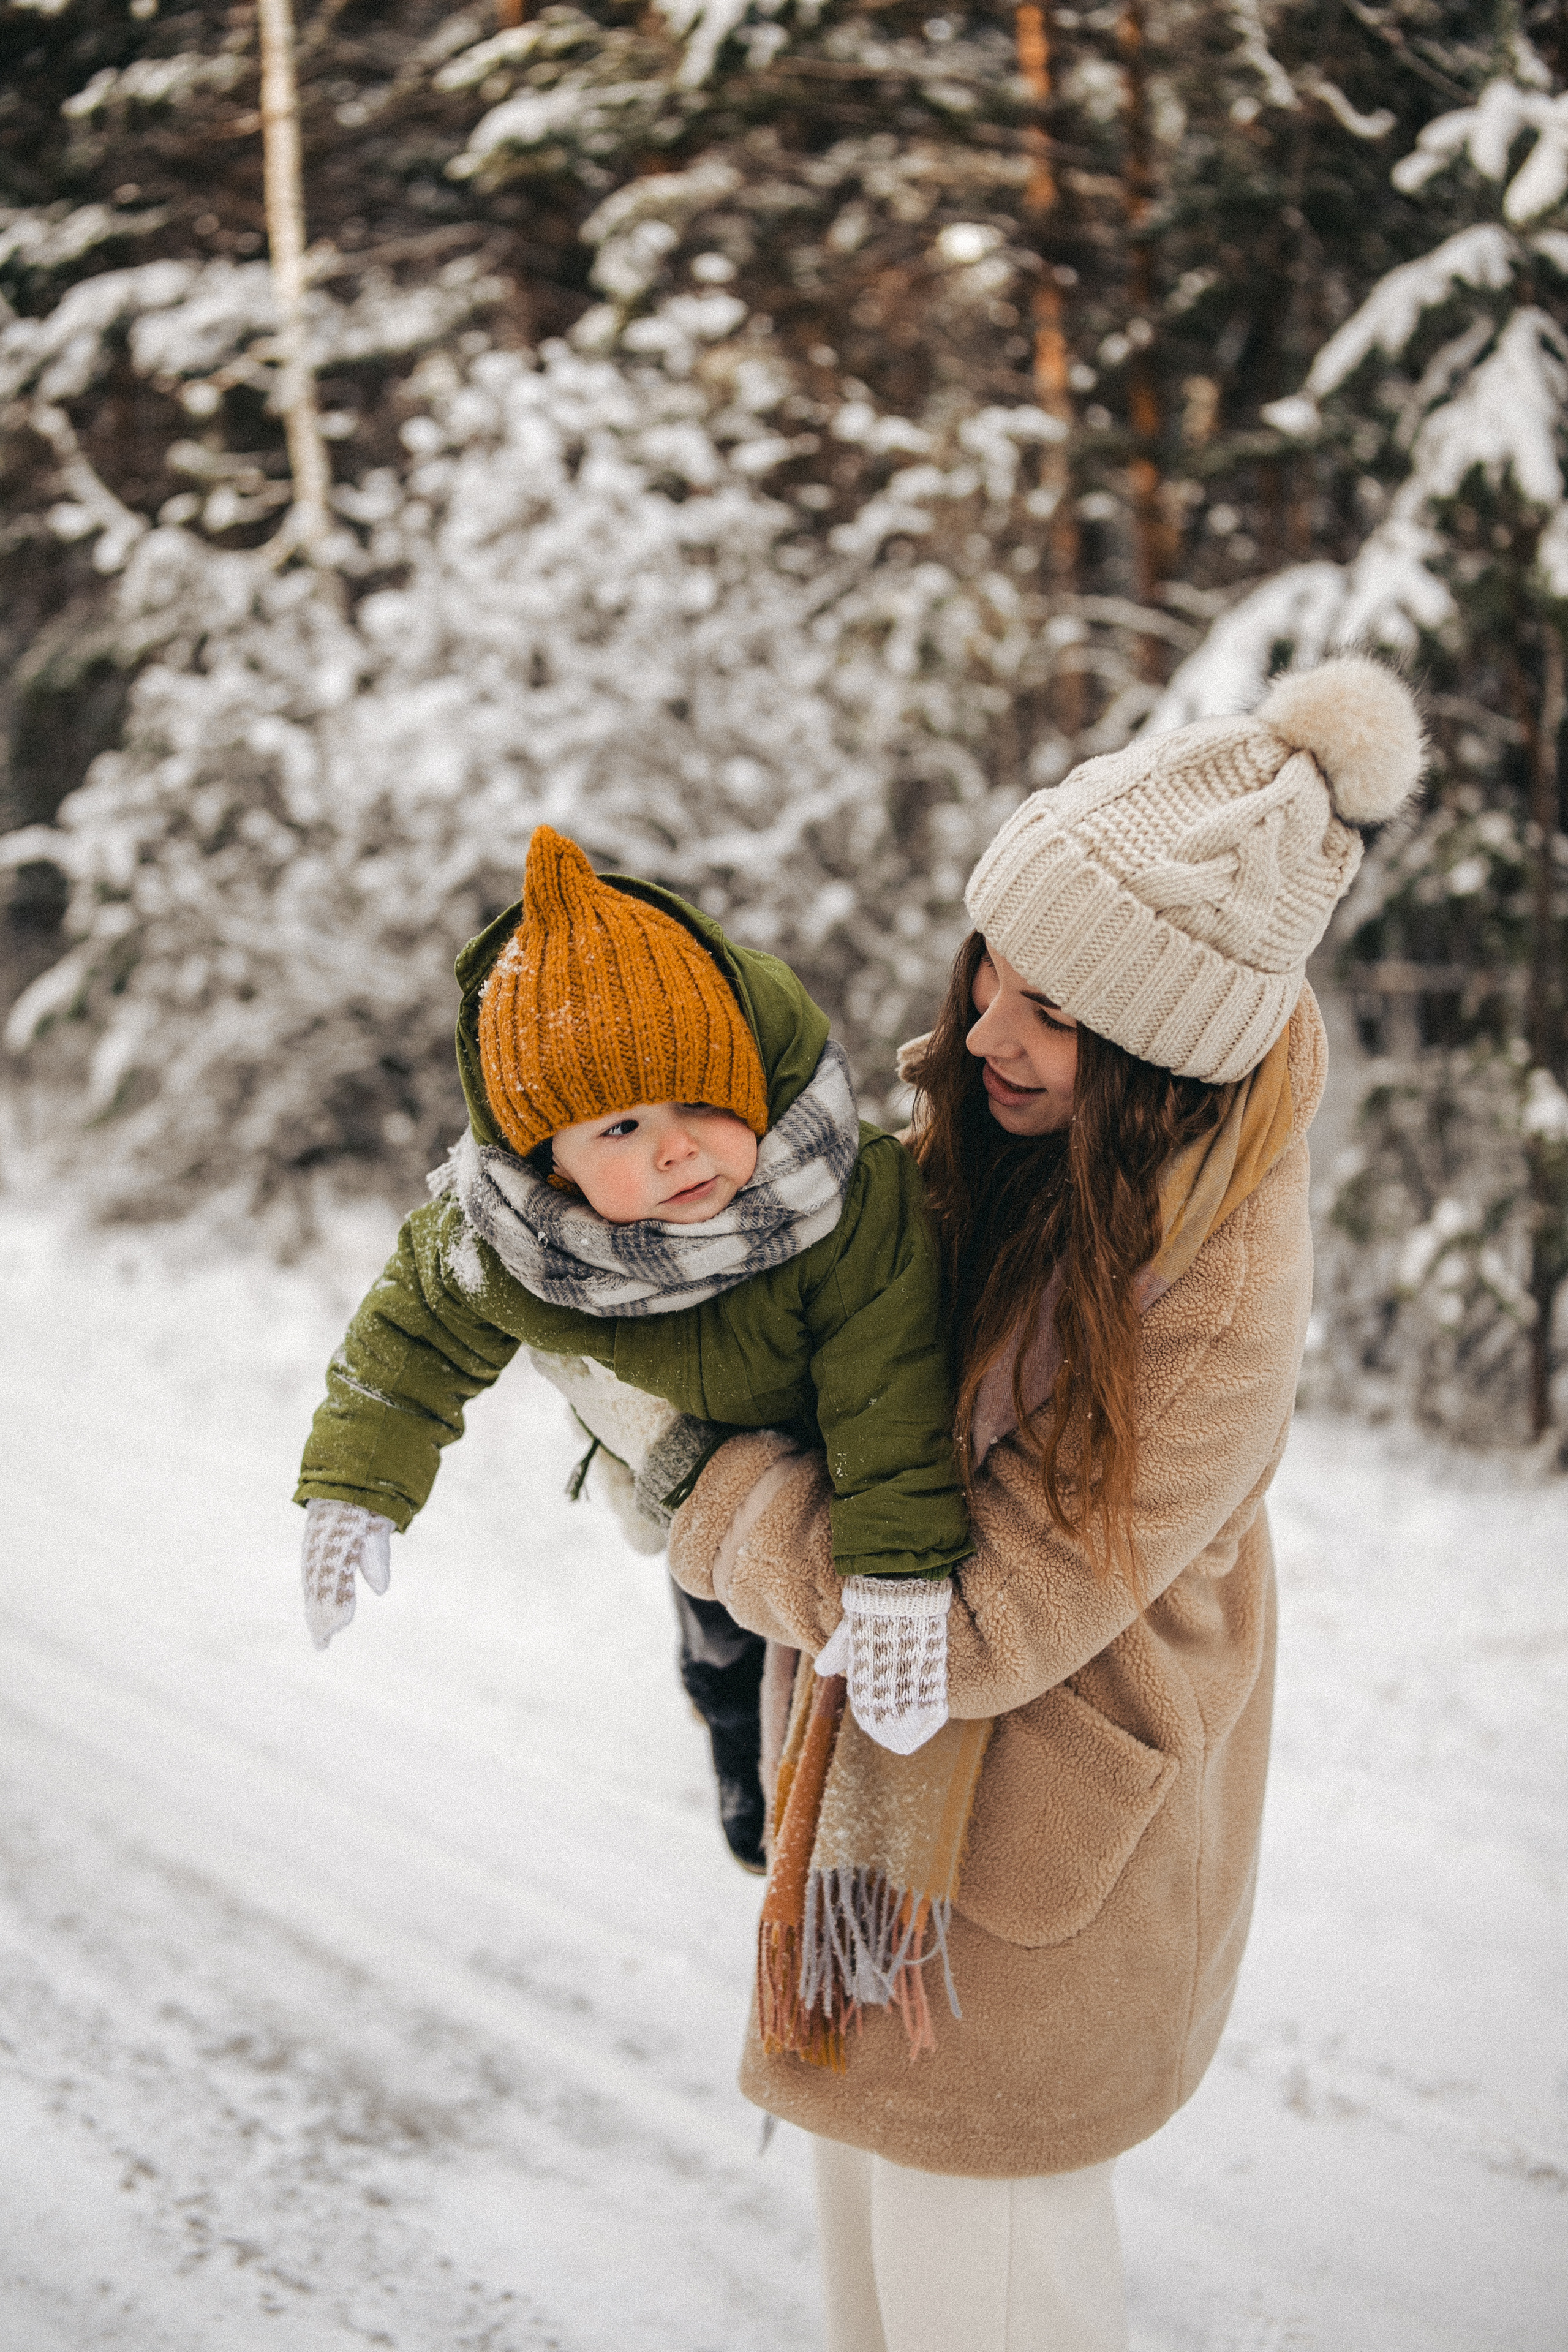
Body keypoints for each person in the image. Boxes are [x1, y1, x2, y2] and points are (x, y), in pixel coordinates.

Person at [663, 655, 1425, 2351]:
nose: (989, 1029)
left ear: (1169, 1051)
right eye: (992, 970)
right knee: (875, 2274)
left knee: (982, 2277)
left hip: (1029, 1868)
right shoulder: (1005, 1125)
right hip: (887, 1842)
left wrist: (705, 1499)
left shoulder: (1209, 1292)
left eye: (1055, 1012)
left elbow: (975, 1621)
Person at [293, 825, 973, 1867]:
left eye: (703, 1098)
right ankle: (729, 1727)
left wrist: (899, 1576)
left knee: (822, 1643)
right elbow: (408, 1340)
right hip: (690, 1470)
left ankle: (819, 1769)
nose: (675, 1145)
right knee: (716, 1632)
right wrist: (355, 1484)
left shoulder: (843, 1195)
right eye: (618, 1129)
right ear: (550, 1165)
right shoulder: (516, 1240)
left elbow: (891, 1393)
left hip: (829, 1450)